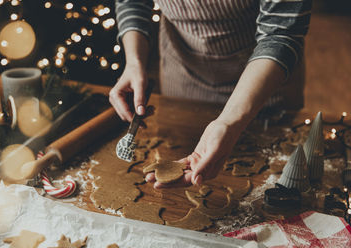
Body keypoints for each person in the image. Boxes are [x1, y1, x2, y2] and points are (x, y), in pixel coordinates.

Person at [109, 0, 312, 188]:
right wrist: (134, 62)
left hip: (264, 82)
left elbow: (280, 35)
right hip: (181, 70)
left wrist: (228, 122)